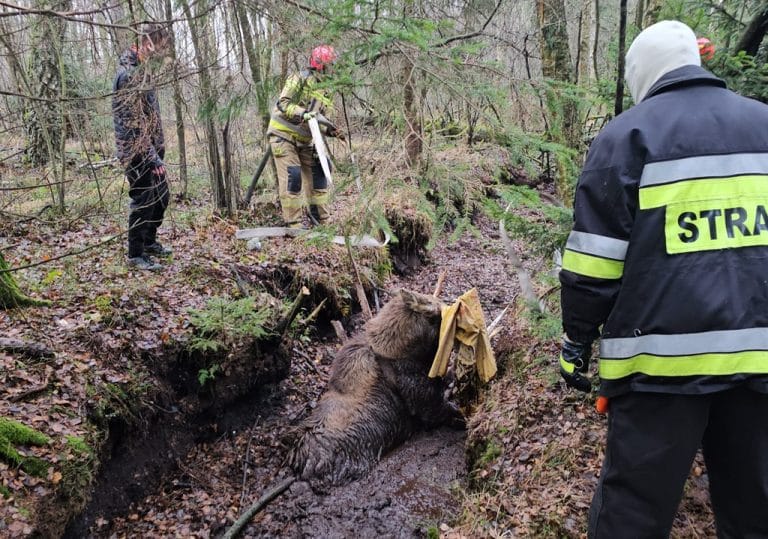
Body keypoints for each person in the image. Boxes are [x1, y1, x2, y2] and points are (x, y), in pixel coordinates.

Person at [558, 20, 768, 538]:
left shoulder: (629, 135)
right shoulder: (763, 125)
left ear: (642, 74)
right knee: (754, 508)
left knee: (633, 511)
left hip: (658, 373)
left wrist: (576, 343)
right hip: (759, 364)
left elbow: (593, 263)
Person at [113, 24, 173, 271]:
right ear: (148, 44)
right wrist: (151, 158)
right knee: (144, 200)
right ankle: (135, 255)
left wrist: (158, 150)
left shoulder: (142, 70)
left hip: (150, 151)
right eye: (160, 47)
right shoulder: (128, 75)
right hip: (135, 152)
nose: (162, 53)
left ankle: (149, 242)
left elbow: (150, 116)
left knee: (162, 196)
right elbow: (134, 124)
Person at [266, 45, 344, 229]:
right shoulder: (299, 79)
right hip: (283, 136)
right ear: (320, 65)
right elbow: (283, 103)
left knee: (320, 174)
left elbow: (318, 118)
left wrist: (331, 131)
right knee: (293, 176)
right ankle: (293, 224)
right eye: (329, 66)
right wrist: (302, 113)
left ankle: (321, 221)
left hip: (306, 140)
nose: (332, 70)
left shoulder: (326, 90)